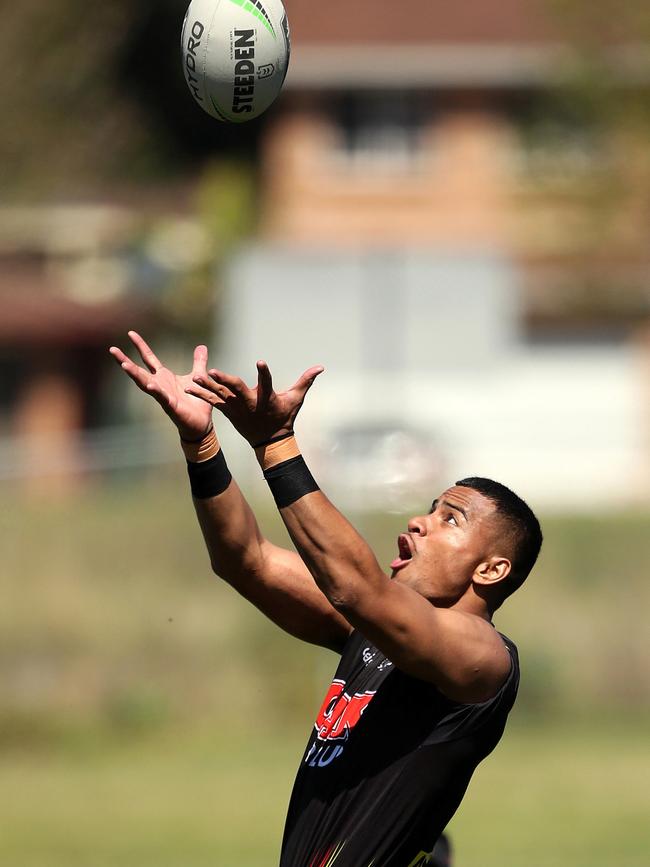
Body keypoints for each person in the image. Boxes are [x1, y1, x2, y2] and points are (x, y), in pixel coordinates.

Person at [110, 331, 543, 867]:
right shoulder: (373, 629)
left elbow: (356, 588)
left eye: (450, 519)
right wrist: (202, 445)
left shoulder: (482, 658)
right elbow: (247, 561)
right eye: (431, 508)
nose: (420, 521)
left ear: (493, 569)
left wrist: (276, 444)